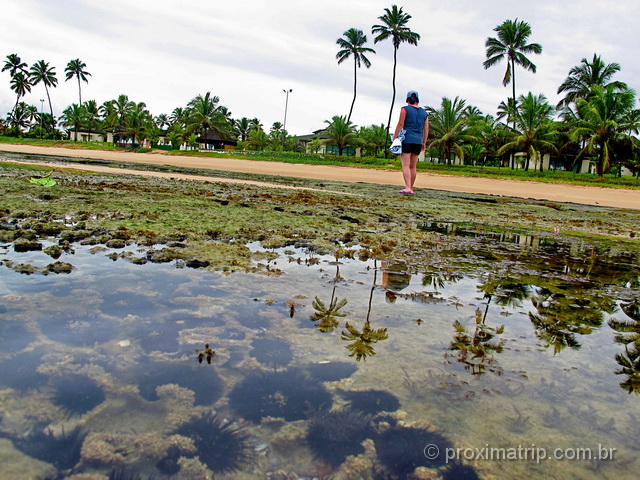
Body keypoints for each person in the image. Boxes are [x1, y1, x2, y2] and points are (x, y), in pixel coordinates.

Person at [393, 90, 429, 194]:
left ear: (408, 99)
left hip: (407, 139)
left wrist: (395, 137)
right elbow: (426, 129)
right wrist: (424, 142)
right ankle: (411, 187)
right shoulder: (424, 113)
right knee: (413, 166)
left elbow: (400, 124)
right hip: (418, 141)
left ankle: (408, 187)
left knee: (406, 165)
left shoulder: (405, 109)